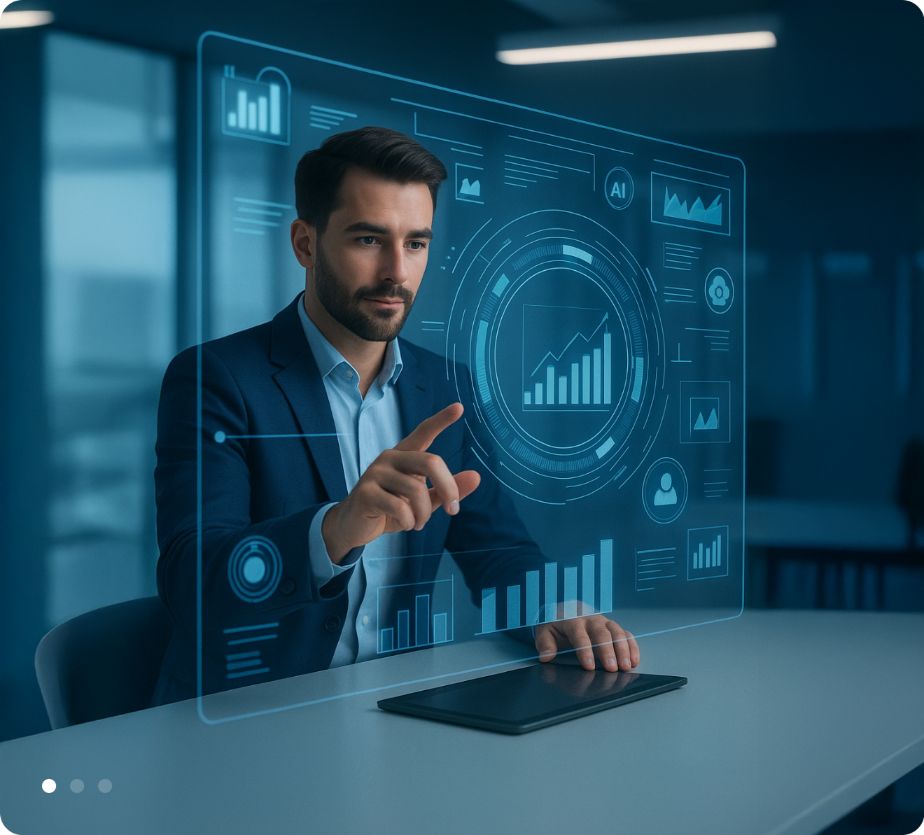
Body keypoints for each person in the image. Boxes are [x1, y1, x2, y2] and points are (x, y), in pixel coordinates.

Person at [150, 126, 639, 706]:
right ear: (305, 244)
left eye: (416, 244)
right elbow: (192, 578)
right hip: (251, 720)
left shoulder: (448, 388)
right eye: (367, 240)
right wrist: (334, 529)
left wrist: (553, 609)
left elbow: (498, 551)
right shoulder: (218, 378)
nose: (397, 274)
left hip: (399, 711)